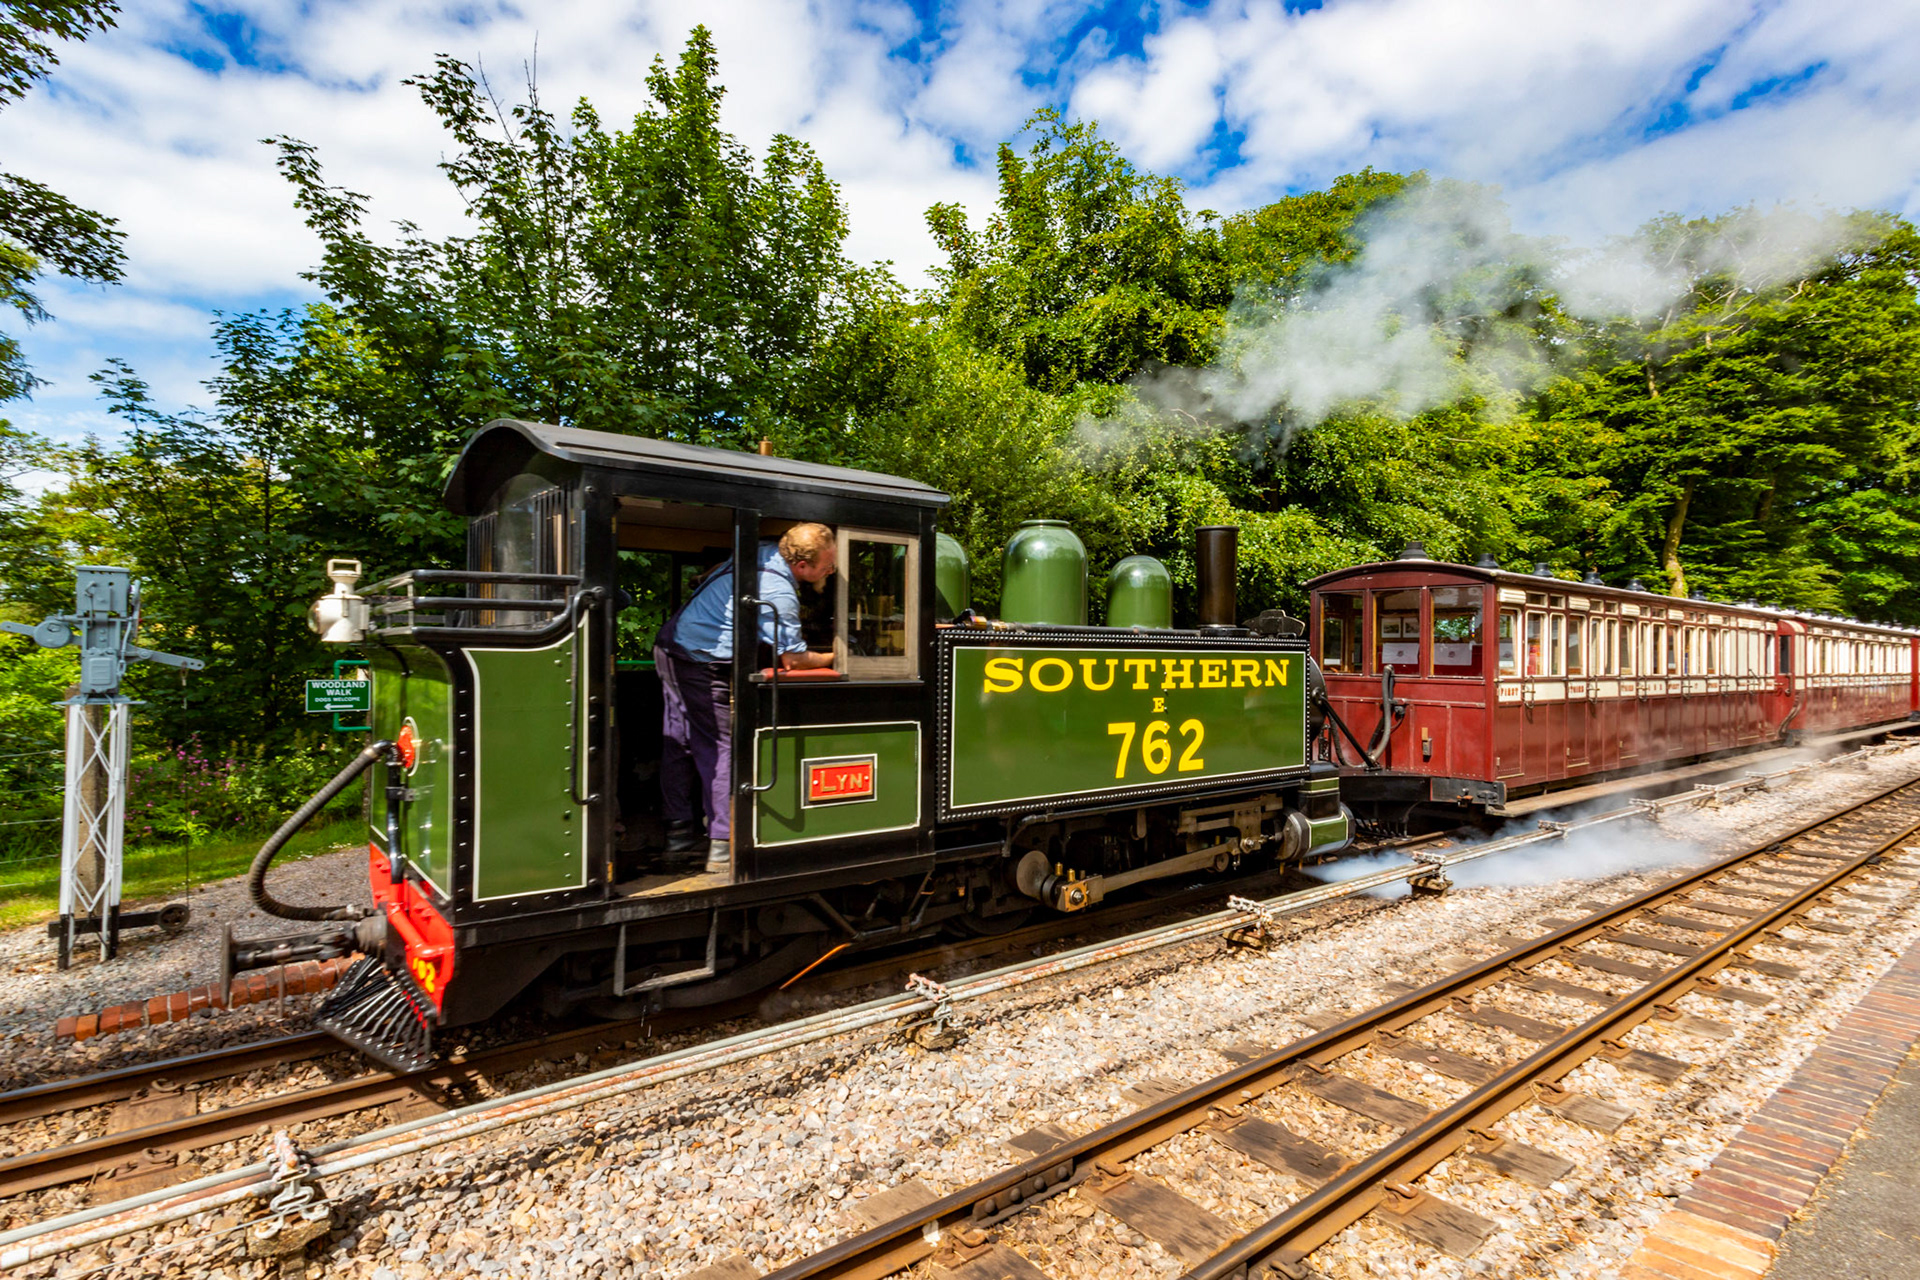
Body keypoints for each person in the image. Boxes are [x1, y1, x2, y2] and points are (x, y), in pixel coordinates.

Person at [654, 524, 837, 874]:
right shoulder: (779, 590)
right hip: (696, 656)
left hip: (677, 647)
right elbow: (793, 660)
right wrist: (839, 655)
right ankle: (723, 843)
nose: (830, 572)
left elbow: (711, 573)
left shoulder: (767, 550)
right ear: (802, 567)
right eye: (827, 568)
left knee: (680, 741)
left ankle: (678, 836)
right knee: (719, 744)